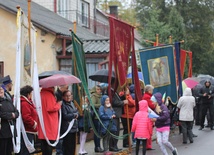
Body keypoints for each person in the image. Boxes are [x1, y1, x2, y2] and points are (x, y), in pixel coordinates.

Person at [38, 87, 62, 155]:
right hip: (49, 125)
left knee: (44, 147)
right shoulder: (48, 94)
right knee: (49, 147)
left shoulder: (41, 94)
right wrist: (58, 104)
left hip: (43, 125)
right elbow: (51, 107)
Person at [16, 85, 38, 155]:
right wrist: (33, 123)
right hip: (27, 130)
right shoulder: (25, 103)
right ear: (28, 94)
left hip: (29, 130)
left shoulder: (28, 102)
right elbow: (26, 116)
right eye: (31, 93)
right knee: (25, 150)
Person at [0, 84, 19, 155]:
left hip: (11, 130)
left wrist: (14, 115)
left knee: (9, 150)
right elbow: (2, 114)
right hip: (2, 131)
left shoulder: (8, 100)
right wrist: (11, 115)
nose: (0, 92)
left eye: (1, 90)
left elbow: (16, 112)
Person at [108, 83, 128, 152]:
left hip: (117, 113)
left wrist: (123, 97)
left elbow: (117, 100)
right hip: (114, 113)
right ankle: (112, 146)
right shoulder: (110, 92)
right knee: (114, 131)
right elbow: (114, 102)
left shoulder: (114, 91)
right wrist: (123, 102)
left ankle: (115, 145)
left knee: (117, 131)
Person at [61, 90, 79, 155]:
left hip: (74, 127)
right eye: (66, 96)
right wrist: (74, 115)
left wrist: (76, 114)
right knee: (67, 147)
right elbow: (65, 115)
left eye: (69, 96)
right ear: (63, 97)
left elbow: (76, 111)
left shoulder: (72, 103)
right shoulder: (63, 104)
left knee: (73, 147)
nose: (68, 97)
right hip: (67, 128)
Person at [55, 85, 68, 155]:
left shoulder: (60, 94)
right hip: (59, 118)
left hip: (61, 119)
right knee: (59, 138)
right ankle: (59, 152)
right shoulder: (57, 95)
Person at [90, 85, 104, 153]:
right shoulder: (94, 96)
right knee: (97, 133)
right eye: (98, 89)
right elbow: (92, 104)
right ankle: (97, 147)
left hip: (101, 116)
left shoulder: (101, 96)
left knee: (100, 132)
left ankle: (99, 146)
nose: (99, 91)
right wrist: (100, 105)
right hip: (96, 117)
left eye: (100, 89)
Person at [142, 85, 155, 150]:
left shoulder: (147, 96)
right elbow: (151, 106)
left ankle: (148, 145)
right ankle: (148, 145)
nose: (152, 91)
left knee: (149, 130)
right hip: (149, 115)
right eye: (152, 90)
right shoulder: (147, 97)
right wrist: (156, 104)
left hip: (149, 114)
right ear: (149, 90)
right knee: (149, 131)